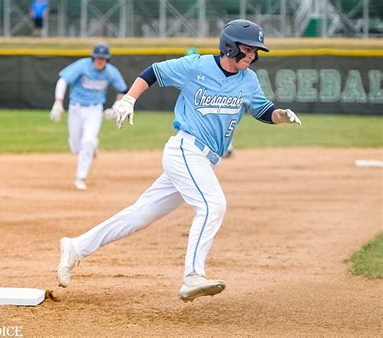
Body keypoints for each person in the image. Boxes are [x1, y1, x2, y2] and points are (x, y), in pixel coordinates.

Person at [56, 19, 301, 302]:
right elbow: (153, 72)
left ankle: (76, 246)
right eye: (247, 49)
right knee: (213, 206)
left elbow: (262, 109)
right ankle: (192, 276)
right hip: (185, 149)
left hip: (202, 158)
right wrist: (129, 100)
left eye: (256, 51)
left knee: (140, 214)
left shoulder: (248, 80)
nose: (252, 56)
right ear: (229, 47)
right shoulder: (196, 66)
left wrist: (279, 115)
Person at [49, 43, 128, 190]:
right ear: (93, 57)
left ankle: (80, 177)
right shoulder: (83, 66)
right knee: (75, 146)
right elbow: (63, 80)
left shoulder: (111, 72)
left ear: (107, 59)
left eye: (103, 58)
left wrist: (117, 107)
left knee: (88, 141)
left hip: (94, 110)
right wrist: (58, 102)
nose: (100, 60)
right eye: (98, 57)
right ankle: (91, 148)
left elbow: (123, 89)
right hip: (76, 108)